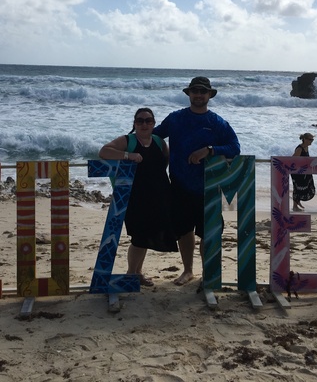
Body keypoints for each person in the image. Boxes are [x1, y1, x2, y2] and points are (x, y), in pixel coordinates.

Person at [154, 77, 240, 286]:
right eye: (195, 91)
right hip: (179, 185)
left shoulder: (217, 123)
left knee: (209, 233)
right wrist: (126, 146)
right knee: (184, 231)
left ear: (210, 95)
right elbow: (152, 136)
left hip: (208, 188)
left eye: (203, 91)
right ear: (189, 94)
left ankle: (208, 273)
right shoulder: (175, 119)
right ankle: (188, 271)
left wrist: (210, 150)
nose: (199, 95)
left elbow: (234, 147)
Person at [99, 108, 178, 287]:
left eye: (148, 121)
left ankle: (137, 273)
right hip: (135, 197)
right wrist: (128, 155)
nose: (144, 124)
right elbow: (104, 151)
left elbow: (164, 163)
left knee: (147, 235)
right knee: (139, 237)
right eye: (140, 121)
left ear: (154, 123)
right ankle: (131, 273)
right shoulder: (128, 140)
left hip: (158, 196)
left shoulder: (159, 141)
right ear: (134, 123)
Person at [291, 132, 316, 212]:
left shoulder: (306, 148)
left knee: (308, 186)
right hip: (298, 173)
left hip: (304, 172)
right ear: (304, 139)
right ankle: (295, 205)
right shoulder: (299, 149)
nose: (311, 141)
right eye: (310, 139)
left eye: (312, 140)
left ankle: (297, 202)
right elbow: (293, 160)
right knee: (297, 188)